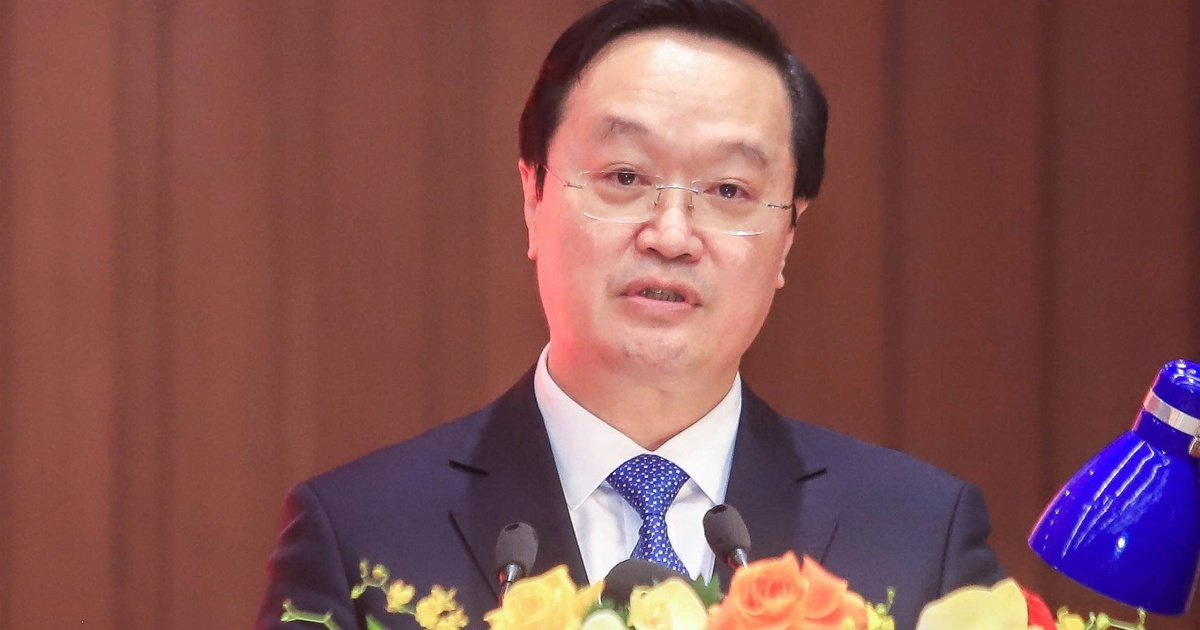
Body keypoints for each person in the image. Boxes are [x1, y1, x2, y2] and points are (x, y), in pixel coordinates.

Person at [256, 1, 1004, 628]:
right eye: (624, 176)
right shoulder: (359, 537)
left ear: (788, 237)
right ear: (533, 196)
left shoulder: (919, 538)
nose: (671, 235)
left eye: (729, 191)